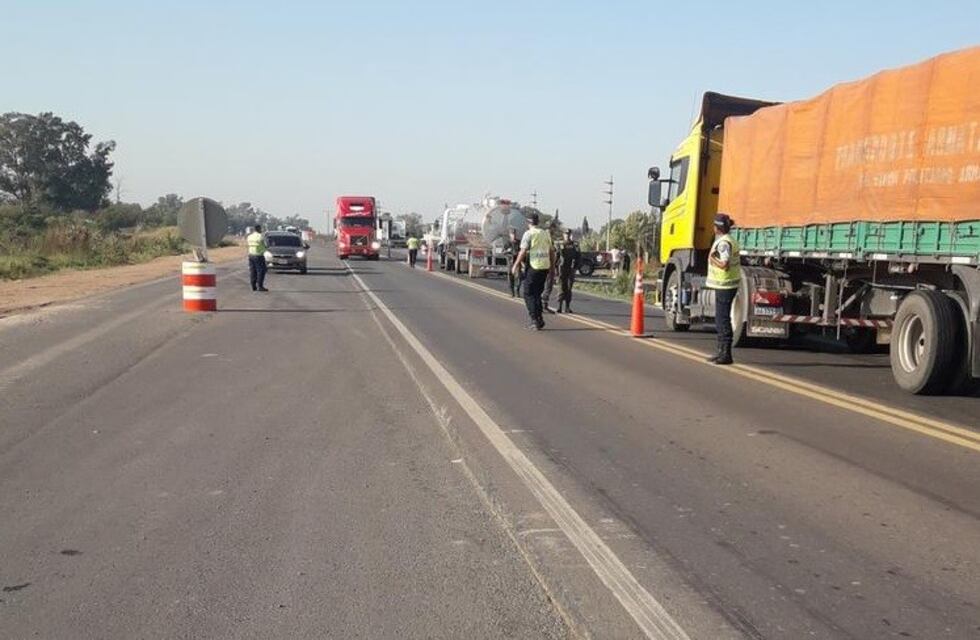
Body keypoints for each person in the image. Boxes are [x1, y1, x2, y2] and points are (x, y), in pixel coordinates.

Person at [706, 213, 741, 365]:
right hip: (727, 284)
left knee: (722, 319)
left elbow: (724, 264)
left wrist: (711, 259)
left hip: (725, 284)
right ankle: (721, 352)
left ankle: (726, 354)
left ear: (717, 228)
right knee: (721, 319)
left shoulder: (723, 243)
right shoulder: (729, 240)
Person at [511, 212, 555, 330]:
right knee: (536, 294)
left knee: (528, 293)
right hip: (544, 267)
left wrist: (515, 265)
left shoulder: (529, 234)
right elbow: (551, 252)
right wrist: (552, 269)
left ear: (528, 223)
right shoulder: (545, 234)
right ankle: (539, 319)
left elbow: (523, 251)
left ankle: (534, 319)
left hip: (534, 266)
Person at [556, 228, 581, 313]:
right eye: (566, 234)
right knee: (561, 287)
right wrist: (555, 269)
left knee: (569, 288)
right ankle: (559, 306)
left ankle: (567, 306)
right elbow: (556, 257)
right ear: (563, 235)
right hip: (562, 268)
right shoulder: (560, 244)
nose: (567, 236)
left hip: (571, 268)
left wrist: (575, 267)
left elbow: (578, 257)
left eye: (569, 234)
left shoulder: (575, 245)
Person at [246, 224, 269, 292]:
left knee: (253, 271)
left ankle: (253, 286)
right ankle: (260, 286)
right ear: (259, 229)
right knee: (261, 271)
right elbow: (265, 244)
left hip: (251, 255)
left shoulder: (249, 236)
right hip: (259, 255)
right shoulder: (260, 236)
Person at [506, 228, 523, 297]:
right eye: (512, 234)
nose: (514, 235)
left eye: (514, 234)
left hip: (517, 262)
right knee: (510, 278)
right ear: (510, 235)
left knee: (518, 277)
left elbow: (522, 251)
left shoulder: (519, 243)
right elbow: (503, 252)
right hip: (510, 262)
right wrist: (508, 252)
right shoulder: (508, 243)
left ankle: (517, 290)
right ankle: (512, 292)